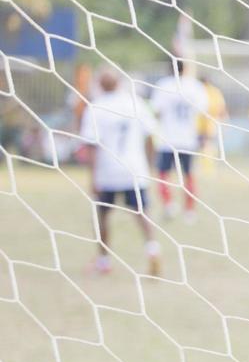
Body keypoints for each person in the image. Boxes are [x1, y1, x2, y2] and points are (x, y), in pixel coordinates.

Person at [78, 70, 162, 277]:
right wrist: (148, 165)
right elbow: (151, 135)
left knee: (102, 216)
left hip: (107, 172)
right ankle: (153, 250)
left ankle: (104, 261)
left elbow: (92, 146)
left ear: (100, 84)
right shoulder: (135, 103)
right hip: (135, 169)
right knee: (142, 213)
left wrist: (93, 177)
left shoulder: (96, 108)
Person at [148, 57, 208, 220]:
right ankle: (189, 210)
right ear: (185, 68)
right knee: (189, 175)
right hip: (188, 139)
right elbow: (203, 111)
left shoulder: (163, 85)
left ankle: (169, 204)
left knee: (163, 173)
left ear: (169, 68)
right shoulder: (195, 86)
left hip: (168, 139)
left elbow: (156, 111)